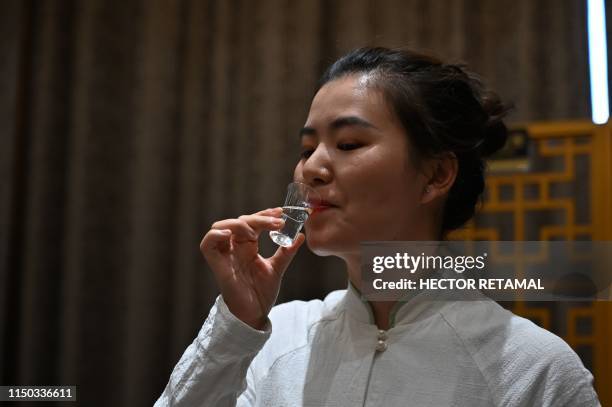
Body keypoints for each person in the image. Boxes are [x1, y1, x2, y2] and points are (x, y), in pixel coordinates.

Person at [154, 47, 600, 406]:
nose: (311, 169)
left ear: (435, 176)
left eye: (348, 143)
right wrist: (237, 324)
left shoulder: (532, 370)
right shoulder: (277, 337)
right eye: (308, 149)